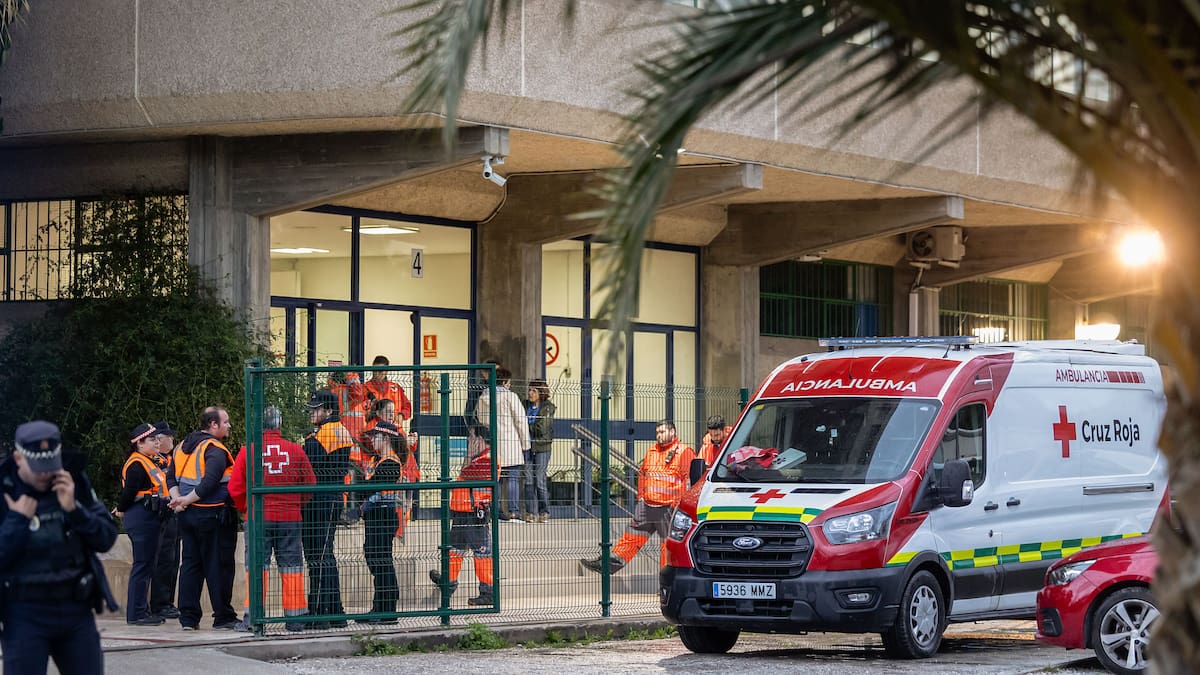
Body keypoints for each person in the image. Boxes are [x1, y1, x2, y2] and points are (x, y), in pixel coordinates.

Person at [0, 420, 119, 675]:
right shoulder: (4, 487)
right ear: (19, 458)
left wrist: (75, 510)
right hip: (24, 612)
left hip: (75, 609)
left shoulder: (73, 480)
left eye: (50, 466)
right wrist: (17, 521)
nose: (45, 474)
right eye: (38, 468)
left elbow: (106, 538)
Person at [228, 405, 315, 632]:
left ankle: (254, 619)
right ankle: (295, 619)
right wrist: (295, 505)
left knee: (257, 567)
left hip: (258, 518)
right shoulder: (295, 450)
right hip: (290, 517)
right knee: (292, 567)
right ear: (280, 424)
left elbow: (235, 488)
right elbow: (310, 484)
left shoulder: (248, 451)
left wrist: (248, 509)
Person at [581, 420, 696, 574]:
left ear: (673, 432)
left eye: (662, 432)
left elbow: (689, 481)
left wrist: (677, 505)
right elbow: (642, 474)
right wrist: (641, 497)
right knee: (631, 537)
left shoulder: (684, 452)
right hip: (647, 505)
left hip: (668, 508)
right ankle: (607, 565)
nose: (659, 435)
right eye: (657, 432)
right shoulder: (652, 451)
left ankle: (667, 580)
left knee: (668, 546)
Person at [167, 406, 239, 630]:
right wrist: (185, 500)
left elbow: (170, 478)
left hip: (186, 515)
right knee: (218, 565)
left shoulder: (181, 446)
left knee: (190, 564)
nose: (229, 425)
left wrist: (179, 500)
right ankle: (223, 616)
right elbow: (209, 482)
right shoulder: (214, 449)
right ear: (213, 424)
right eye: (225, 422)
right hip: (212, 514)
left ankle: (188, 618)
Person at [301, 389, 354, 628]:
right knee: (325, 555)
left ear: (329, 411)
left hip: (319, 500)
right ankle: (334, 612)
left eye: (316, 409)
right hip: (333, 498)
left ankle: (320, 613)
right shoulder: (340, 430)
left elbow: (306, 467)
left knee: (317, 557)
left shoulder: (323, 435)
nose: (312, 413)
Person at [428, 425, 494, 606]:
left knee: (482, 553)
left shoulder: (487, 459)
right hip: (462, 512)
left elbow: (465, 473)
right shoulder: (478, 458)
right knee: (455, 551)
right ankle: (448, 583)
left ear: (480, 440)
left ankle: (488, 592)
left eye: (471, 437)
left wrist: (469, 456)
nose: (468, 441)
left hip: (475, 514)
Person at [116, 422, 170, 626]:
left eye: (157, 439)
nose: (157, 442)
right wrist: (120, 508)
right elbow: (128, 492)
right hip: (142, 517)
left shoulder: (149, 461)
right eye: (152, 440)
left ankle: (142, 610)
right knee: (142, 565)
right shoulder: (137, 463)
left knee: (147, 565)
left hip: (151, 516)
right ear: (139, 443)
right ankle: (136, 613)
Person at [358, 421, 407, 623]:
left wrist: (364, 487)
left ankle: (387, 610)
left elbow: (371, 486)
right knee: (376, 559)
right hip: (376, 516)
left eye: (375, 436)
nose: (372, 440)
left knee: (381, 561)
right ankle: (379, 608)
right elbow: (368, 486)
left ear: (386, 438)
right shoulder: (378, 461)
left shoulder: (391, 463)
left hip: (383, 516)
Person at [476, 367, 530, 521]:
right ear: (505, 382)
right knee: (512, 478)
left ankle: (497, 512)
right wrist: (526, 444)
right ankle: (513, 512)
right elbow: (520, 421)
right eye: (509, 382)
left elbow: (481, 418)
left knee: (496, 480)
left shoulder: (484, 397)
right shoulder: (510, 396)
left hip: (493, 443)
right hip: (511, 442)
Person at [148, 420, 181, 619]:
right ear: (159, 440)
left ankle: (167, 602)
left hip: (173, 513)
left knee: (173, 559)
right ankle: (160, 603)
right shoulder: (154, 461)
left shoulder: (168, 460)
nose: (172, 440)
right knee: (164, 560)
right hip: (161, 513)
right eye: (169, 437)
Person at [523, 379, 556, 523]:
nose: (530, 393)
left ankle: (544, 511)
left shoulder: (547, 407)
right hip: (527, 446)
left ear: (541, 393)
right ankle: (530, 512)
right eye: (530, 390)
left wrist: (525, 426)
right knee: (528, 480)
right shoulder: (525, 405)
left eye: (534, 391)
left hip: (542, 447)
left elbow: (541, 428)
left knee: (540, 479)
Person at [363, 355, 413, 427]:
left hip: (395, 429)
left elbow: (407, 407)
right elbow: (361, 412)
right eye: (374, 370)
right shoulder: (365, 388)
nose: (376, 374)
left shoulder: (396, 388)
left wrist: (402, 415)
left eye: (380, 371)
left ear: (386, 371)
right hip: (373, 429)